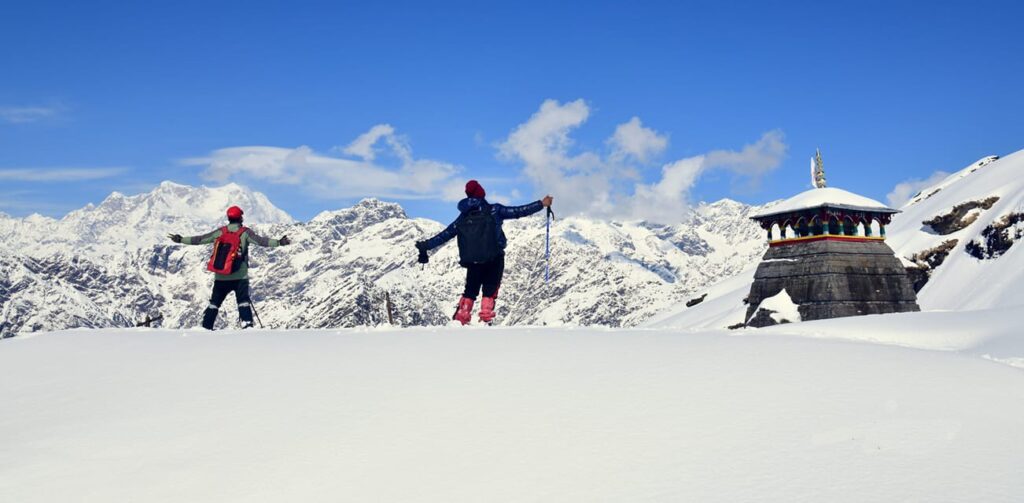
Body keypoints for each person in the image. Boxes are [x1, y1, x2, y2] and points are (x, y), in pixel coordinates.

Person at [416, 180, 552, 325]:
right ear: (482, 193)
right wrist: (541, 204)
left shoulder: (463, 217)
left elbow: (445, 235)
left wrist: (426, 246)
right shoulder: (494, 210)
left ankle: (461, 317)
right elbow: (518, 211)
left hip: (472, 260)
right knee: (490, 288)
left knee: (470, 290)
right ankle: (485, 319)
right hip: (494, 257)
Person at [168, 205, 291, 330]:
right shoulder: (245, 233)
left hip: (221, 275)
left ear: (229, 218)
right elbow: (261, 241)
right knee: (243, 301)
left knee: (214, 303)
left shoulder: (220, 232)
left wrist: (181, 239)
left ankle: (206, 327)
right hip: (240, 276)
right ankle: (247, 325)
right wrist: (279, 242)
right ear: (240, 218)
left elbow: (200, 239)